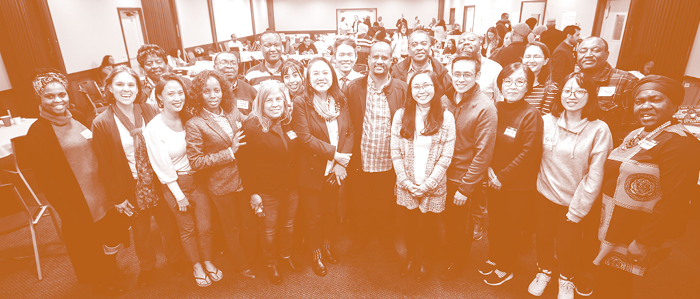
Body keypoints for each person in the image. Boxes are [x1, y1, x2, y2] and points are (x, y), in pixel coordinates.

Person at [593, 75, 700, 298]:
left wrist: (644, 241)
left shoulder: (681, 142)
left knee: (616, 286)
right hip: (616, 223)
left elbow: (675, 200)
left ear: (674, 104)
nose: (645, 106)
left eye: (655, 99)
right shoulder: (638, 133)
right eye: (639, 101)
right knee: (608, 279)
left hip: (637, 231)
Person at [26, 70, 129, 295]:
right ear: (40, 99)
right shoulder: (38, 132)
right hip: (78, 201)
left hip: (102, 193)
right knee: (89, 245)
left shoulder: (77, 117)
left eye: (62, 94)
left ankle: (110, 268)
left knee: (111, 235)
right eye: (50, 96)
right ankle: (101, 282)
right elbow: (46, 180)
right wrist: (66, 209)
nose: (58, 100)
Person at [92, 65, 185, 288]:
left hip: (158, 179)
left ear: (138, 88)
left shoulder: (148, 110)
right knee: (141, 232)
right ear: (110, 89)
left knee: (168, 224)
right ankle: (147, 267)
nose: (126, 89)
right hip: (131, 185)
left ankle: (175, 260)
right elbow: (104, 166)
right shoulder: (102, 122)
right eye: (120, 84)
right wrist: (117, 198)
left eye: (131, 84)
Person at [528, 72, 612, 299]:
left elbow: (595, 175)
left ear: (590, 95)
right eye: (567, 90)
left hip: (574, 201)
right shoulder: (546, 121)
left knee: (568, 245)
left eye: (579, 91)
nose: (572, 96)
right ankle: (544, 270)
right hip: (544, 195)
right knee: (544, 238)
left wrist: (577, 209)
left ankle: (566, 278)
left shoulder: (599, 129)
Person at [144, 73, 220, 287]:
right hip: (175, 184)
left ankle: (207, 260)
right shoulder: (154, 127)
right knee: (187, 229)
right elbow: (161, 166)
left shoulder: (188, 117)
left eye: (180, 93)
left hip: (198, 179)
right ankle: (196, 265)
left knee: (205, 227)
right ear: (160, 97)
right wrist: (179, 195)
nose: (177, 98)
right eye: (171, 94)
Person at [183, 70, 257, 281]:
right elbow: (196, 161)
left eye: (217, 90)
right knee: (231, 227)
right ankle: (241, 264)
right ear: (199, 94)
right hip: (221, 186)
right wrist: (229, 152)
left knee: (249, 223)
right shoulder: (195, 123)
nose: (213, 95)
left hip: (245, 179)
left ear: (224, 91)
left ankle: (250, 257)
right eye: (207, 91)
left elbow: (250, 120)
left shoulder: (232, 111)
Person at [481, 63, 544, 286]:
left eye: (519, 82)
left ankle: (506, 266)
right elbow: (486, 142)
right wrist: (488, 170)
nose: (512, 86)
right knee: (495, 223)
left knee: (511, 227)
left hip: (517, 185)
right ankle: (494, 257)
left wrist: (501, 177)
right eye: (507, 81)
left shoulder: (531, 114)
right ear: (500, 84)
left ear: (528, 86)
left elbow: (529, 153)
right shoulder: (495, 107)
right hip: (492, 178)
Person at [291, 57, 354, 277]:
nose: (321, 77)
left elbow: (350, 131)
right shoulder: (301, 102)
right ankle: (315, 253)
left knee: (330, 211)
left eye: (325, 73)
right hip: (312, 171)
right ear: (308, 78)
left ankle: (326, 247)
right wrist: (336, 155)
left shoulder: (340, 99)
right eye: (315, 73)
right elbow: (304, 138)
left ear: (332, 75)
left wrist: (339, 163)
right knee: (313, 216)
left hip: (335, 170)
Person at [391, 70, 455, 282]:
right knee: (409, 224)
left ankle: (425, 260)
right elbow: (395, 152)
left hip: (433, 185)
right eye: (416, 87)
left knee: (429, 226)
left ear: (435, 88)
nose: (422, 91)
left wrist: (428, 184)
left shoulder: (446, 117)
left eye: (426, 85)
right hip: (407, 182)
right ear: (410, 91)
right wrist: (406, 181)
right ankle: (411, 257)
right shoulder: (401, 115)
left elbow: (446, 156)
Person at [345, 42, 408, 258]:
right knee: (360, 202)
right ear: (368, 60)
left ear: (392, 60)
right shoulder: (354, 87)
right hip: (361, 159)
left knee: (385, 204)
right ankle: (361, 236)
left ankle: (385, 238)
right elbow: (348, 123)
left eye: (385, 57)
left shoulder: (402, 88)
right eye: (375, 57)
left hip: (389, 161)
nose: (379, 61)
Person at [440, 55, 498, 280]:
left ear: (478, 76)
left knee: (461, 225)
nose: (461, 79)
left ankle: (459, 259)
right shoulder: (447, 98)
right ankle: (451, 249)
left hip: (462, 179)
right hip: (442, 173)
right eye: (457, 74)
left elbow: (483, 154)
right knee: (447, 220)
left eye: (467, 74)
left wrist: (465, 188)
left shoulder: (485, 108)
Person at [237, 80, 300, 285]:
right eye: (269, 100)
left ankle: (285, 256)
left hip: (290, 188)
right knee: (269, 231)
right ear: (261, 103)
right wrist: (253, 193)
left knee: (289, 226)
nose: (275, 104)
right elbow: (244, 166)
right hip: (266, 191)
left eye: (279, 99)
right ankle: (271, 263)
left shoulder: (287, 121)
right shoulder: (251, 127)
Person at [577, 37, 639, 146]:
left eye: (595, 50)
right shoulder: (572, 81)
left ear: (606, 54)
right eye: (582, 51)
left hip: (607, 150)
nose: (588, 55)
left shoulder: (626, 81)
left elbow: (631, 126)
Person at [456, 32, 503, 103]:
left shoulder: (495, 68)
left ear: (480, 43)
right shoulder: (449, 69)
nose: (466, 43)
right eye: (461, 41)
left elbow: (500, 99)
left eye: (471, 40)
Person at [522, 42, 556, 113]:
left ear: (545, 61)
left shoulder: (550, 89)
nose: (531, 61)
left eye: (536, 56)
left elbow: (545, 118)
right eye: (527, 56)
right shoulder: (513, 84)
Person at [137, 44, 170, 109]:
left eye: (159, 62)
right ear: (143, 68)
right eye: (149, 64)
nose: (155, 66)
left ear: (166, 63)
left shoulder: (178, 83)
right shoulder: (139, 90)